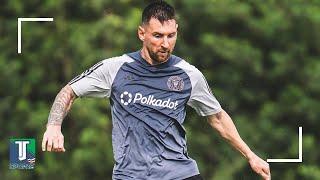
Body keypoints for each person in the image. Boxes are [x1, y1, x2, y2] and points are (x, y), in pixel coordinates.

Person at [42, 1, 271, 180]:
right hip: (130, 176)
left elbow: (218, 118)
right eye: (158, 36)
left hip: (180, 173)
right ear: (142, 34)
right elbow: (69, 91)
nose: (165, 44)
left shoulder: (188, 75)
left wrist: (250, 155)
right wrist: (53, 125)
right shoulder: (116, 69)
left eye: (171, 36)